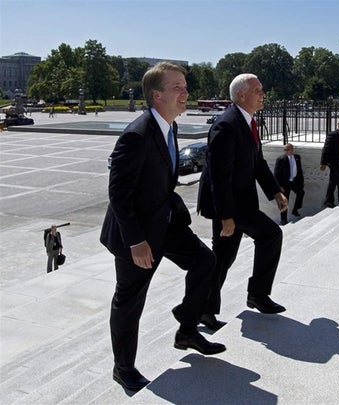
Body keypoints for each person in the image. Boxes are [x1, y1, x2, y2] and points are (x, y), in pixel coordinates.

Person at [100, 62, 225, 392]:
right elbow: (119, 195)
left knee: (205, 262)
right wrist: (136, 241)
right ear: (157, 96)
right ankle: (123, 368)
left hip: (165, 222)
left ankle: (186, 328)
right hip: (137, 234)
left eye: (185, 87)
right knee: (130, 301)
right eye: (177, 88)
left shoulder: (169, 127)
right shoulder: (136, 136)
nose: (186, 93)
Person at [197, 73, 289, 329]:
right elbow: (219, 176)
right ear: (241, 95)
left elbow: (257, 162)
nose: (263, 93)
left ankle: (208, 308)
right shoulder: (226, 125)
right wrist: (226, 217)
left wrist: (275, 191)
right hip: (228, 204)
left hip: (240, 202)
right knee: (267, 236)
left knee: (225, 257)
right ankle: (255, 296)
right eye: (257, 89)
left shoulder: (247, 121)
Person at [274, 143, 305, 225]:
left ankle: (296, 209)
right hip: (284, 184)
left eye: (288, 149)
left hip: (294, 182)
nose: (286, 151)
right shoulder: (281, 159)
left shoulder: (297, 157)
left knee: (301, 192)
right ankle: (283, 219)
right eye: (285, 150)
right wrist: (279, 186)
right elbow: (276, 174)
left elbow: (300, 170)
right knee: (284, 201)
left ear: (292, 149)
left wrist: (301, 182)